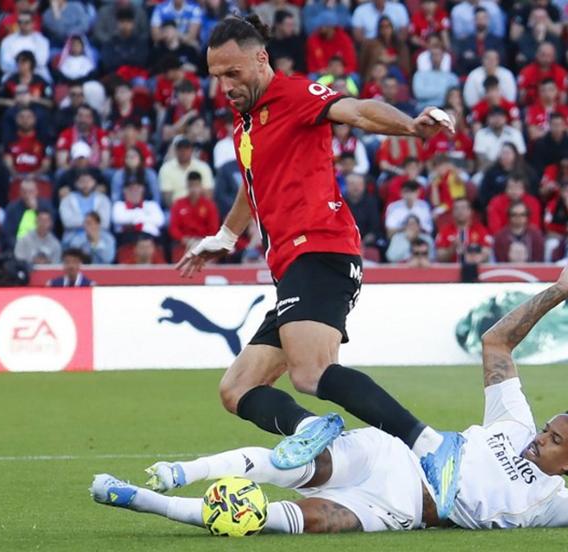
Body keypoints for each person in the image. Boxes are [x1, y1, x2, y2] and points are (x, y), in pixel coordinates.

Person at [93, 239, 568, 536]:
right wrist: (558, 289)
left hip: (400, 508)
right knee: (304, 465)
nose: (539, 439)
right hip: (393, 453)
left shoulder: (550, 505)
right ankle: (179, 470)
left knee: (309, 519)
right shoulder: (513, 423)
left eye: (553, 442)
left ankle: (144, 500)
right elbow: (498, 344)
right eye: (547, 428)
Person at [175, 14, 465, 520]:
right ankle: (311, 430)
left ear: (261, 59)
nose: (224, 86)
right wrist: (224, 236)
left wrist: (410, 125)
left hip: (322, 250)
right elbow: (253, 182)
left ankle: (431, 444)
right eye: (216, 76)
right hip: (292, 266)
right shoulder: (247, 123)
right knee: (237, 388)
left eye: (233, 73)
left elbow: (354, 110)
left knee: (310, 372)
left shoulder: (295, 95)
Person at [168, 171, 220, 248]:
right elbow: (173, 228)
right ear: (187, 186)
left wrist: (201, 241)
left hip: (204, 244)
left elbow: (214, 228)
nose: (193, 189)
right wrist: (183, 239)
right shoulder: (178, 204)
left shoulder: (209, 205)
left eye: (196, 186)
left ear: (201, 186)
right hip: (184, 244)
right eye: (191, 186)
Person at [435, 197, 492, 263]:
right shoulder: (445, 231)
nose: (460, 211)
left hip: (474, 269)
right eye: (457, 208)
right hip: (451, 270)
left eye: (463, 208)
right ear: (452, 212)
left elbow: (487, 253)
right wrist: (452, 248)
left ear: (470, 211)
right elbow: (440, 257)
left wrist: (474, 256)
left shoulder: (480, 230)